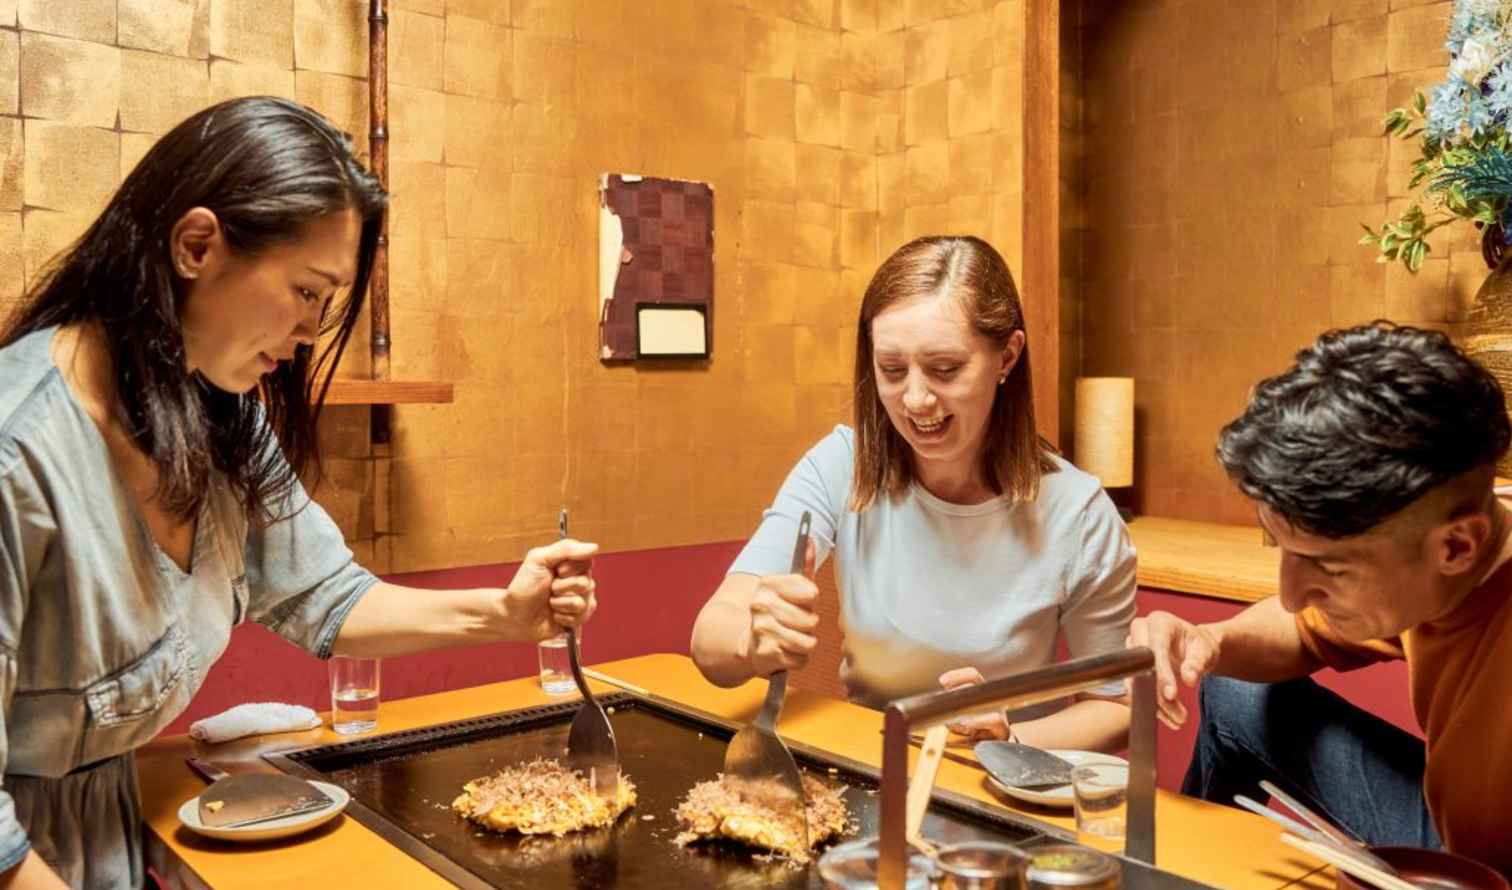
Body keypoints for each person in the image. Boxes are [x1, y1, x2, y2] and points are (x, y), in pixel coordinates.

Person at [0, 97, 598, 890]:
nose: (314, 330)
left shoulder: (217, 416)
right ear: (197, 245)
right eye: (308, 292)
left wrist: (507, 615)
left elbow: (326, 593)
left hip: (106, 842)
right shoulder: (19, 447)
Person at [691, 236, 1136, 750]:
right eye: (892, 371)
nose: (917, 399)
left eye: (945, 369)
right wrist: (751, 639)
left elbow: (1113, 705)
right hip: (868, 774)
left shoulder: (1078, 512)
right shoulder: (843, 466)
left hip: (999, 789)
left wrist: (1007, 735)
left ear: (1006, 357)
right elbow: (710, 639)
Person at [1130, 322, 1512, 874]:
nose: (1290, 595)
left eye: (1329, 567)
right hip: (1458, 832)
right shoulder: (1450, 548)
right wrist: (1207, 639)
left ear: (1457, 545)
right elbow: (1296, 631)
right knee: (1237, 688)